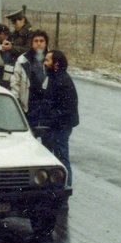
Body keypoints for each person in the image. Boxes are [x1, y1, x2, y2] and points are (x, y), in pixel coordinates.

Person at [41, 50, 79, 188]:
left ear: (56, 64)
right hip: (55, 125)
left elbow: (66, 109)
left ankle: (65, 187)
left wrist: (50, 119)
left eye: (47, 61)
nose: (44, 63)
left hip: (60, 126)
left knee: (61, 159)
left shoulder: (61, 81)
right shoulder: (54, 77)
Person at [9, 29, 50, 119]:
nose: (39, 43)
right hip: (28, 107)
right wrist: (17, 106)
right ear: (32, 43)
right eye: (36, 41)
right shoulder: (22, 60)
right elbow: (15, 83)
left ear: (46, 43)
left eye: (41, 41)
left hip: (47, 108)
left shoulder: (52, 59)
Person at [0, 23, 13, 89]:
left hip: (7, 75)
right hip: (0, 74)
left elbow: (7, 61)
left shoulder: (9, 44)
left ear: (3, 34)